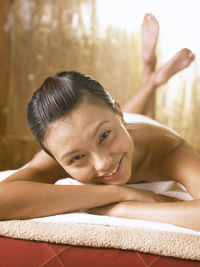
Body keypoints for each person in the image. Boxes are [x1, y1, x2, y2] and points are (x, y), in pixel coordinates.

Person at [1, 14, 199, 231]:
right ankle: (150, 74)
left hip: (136, 130)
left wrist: (121, 209)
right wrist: (120, 193)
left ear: (119, 114)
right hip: (108, 123)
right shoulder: (64, 143)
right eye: (77, 158)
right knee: (101, 130)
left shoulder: (170, 149)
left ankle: (150, 76)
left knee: (138, 120)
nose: (103, 163)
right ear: (56, 159)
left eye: (104, 136)